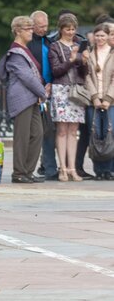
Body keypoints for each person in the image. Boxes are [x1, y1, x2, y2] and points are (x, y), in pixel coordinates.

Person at [0, 16, 48, 183]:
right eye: (28, 29)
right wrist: (43, 93)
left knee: (38, 133)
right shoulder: (16, 52)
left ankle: (28, 171)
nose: (31, 31)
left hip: (32, 97)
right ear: (18, 31)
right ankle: (19, 172)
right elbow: (27, 77)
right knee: (22, 136)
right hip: (22, 98)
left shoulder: (25, 49)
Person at [49, 13, 89, 181]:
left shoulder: (79, 45)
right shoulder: (55, 47)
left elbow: (84, 74)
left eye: (73, 29)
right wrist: (72, 60)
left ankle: (72, 168)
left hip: (76, 89)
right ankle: (62, 168)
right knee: (62, 130)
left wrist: (84, 62)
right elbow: (56, 71)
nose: (71, 32)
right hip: (61, 89)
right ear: (61, 29)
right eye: (67, 29)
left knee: (73, 131)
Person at [28, 10, 57, 180]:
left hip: (49, 90)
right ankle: (31, 167)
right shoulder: (29, 43)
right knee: (36, 132)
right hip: (34, 92)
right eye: (40, 26)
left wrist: (51, 83)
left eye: (46, 26)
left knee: (49, 130)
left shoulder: (49, 41)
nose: (44, 29)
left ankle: (50, 168)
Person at [83, 23, 113, 179]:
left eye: (103, 35)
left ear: (108, 36)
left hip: (111, 101)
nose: (100, 38)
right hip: (93, 101)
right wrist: (95, 97)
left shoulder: (112, 53)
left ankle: (109, 170)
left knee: (109, 132)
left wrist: (108, 99)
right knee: (95, 133)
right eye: (97, 35)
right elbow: (86, 76)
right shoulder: (88, 54)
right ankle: (98, 170)